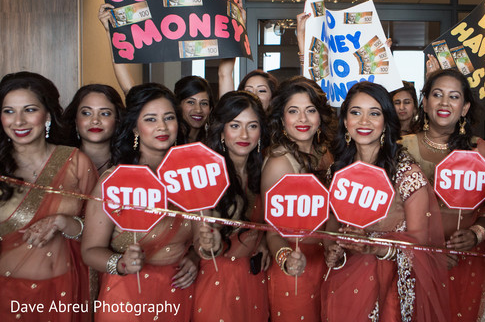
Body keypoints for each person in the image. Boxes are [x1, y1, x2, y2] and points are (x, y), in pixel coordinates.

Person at [321, 82, 450, 322]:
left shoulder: (406, 174)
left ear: (385, 122)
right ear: (345, 121)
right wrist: (332, 249)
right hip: (343, 282)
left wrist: (373, 246)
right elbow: (331, 225)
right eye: (356, 112)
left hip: (389, 288)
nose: (364, 121)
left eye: (374, 113)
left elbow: (421, 245)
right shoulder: (337, 171)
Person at [81, 83, 197, 322]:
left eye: (169, 118)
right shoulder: (115, 181)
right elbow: (91, 251)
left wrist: (195, 258)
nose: (162, 127)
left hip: (178, 292)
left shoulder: (192, 177)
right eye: (151, 119)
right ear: (135, 127)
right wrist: (121, 264)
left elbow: (198, 238)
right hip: (126, 297)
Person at [402, 69, 485, 321]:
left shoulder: (480, 150)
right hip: (415, 264)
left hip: (468, 262)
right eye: (437, 94)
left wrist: (476, 234)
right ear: (424, 103)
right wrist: (425, 251)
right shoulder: (400, 148)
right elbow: (390, 212)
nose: (445, 102)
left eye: (454, 96)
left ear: (465, 107)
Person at [0, 72, 97, 321]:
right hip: (8, 298)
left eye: (29, 110)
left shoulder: (75, 162)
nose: (18, 121)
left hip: (66, 293)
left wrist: (64, 222)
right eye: (9, 111)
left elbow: (101, 232)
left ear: (48, 114)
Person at [261, 76, 336, 321]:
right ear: (282, 119)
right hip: (295, 266)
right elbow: (272, 232)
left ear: (320, 117)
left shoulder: (326, 154)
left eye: (310, 110)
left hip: (328, 262)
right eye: (293, 111)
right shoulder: (279, 162)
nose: (303, 119)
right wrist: (285, 260)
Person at [193, 91, 271, 321]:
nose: (244, 134)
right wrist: (209, 245)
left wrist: (265, 240)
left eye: (252, 126)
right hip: (217, 279)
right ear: (221, 131)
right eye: (235, 125)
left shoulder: (263, 170)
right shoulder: (206, 173)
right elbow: (200, 240)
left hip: (254, 277)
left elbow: (268, 223)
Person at [98, 4, 215, 144]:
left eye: (204, 103)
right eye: (190, 102)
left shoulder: (214, 140)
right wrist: (111, 33)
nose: (198, 109)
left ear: (211, 108)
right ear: (177, 105)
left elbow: (225, 75)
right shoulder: (166, 135)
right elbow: (129, 90)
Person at [62, 84, 124, 175]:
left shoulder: (129, 163)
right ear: (75, 119)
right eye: (86, 113)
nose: (95, 121)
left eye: (105, 114)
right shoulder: (60, 161)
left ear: (117, 120)